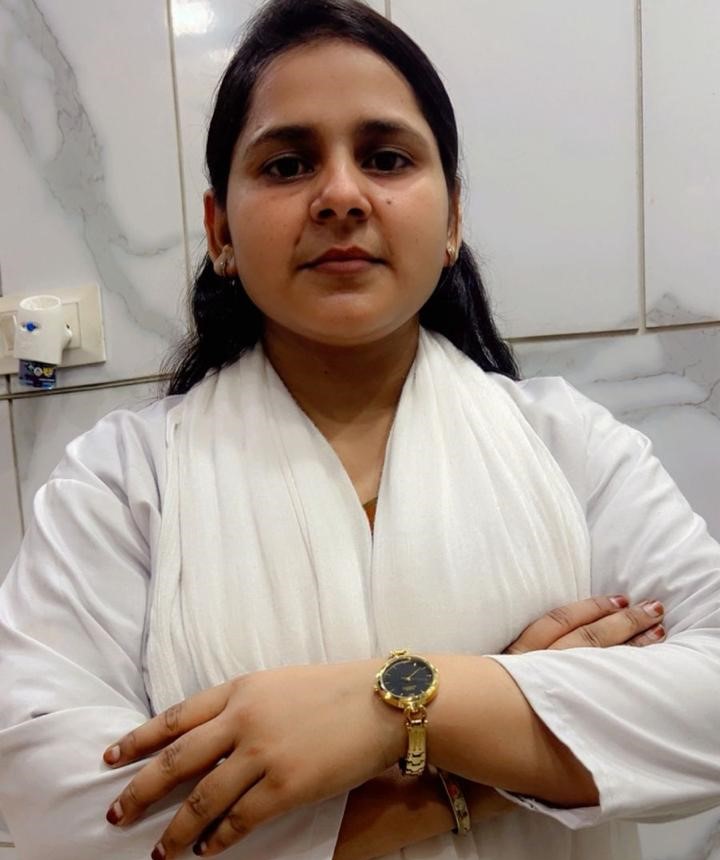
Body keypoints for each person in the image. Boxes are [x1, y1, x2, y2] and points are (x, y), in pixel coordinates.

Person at [0, 1, 718, 858]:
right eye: (288, 164)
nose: (341, 196)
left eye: (385, 158)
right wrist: (483, 756)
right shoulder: (122, 482)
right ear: (220, 230)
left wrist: (396, 707)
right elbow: (48, 800)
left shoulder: (572, 446)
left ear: (452, 219)